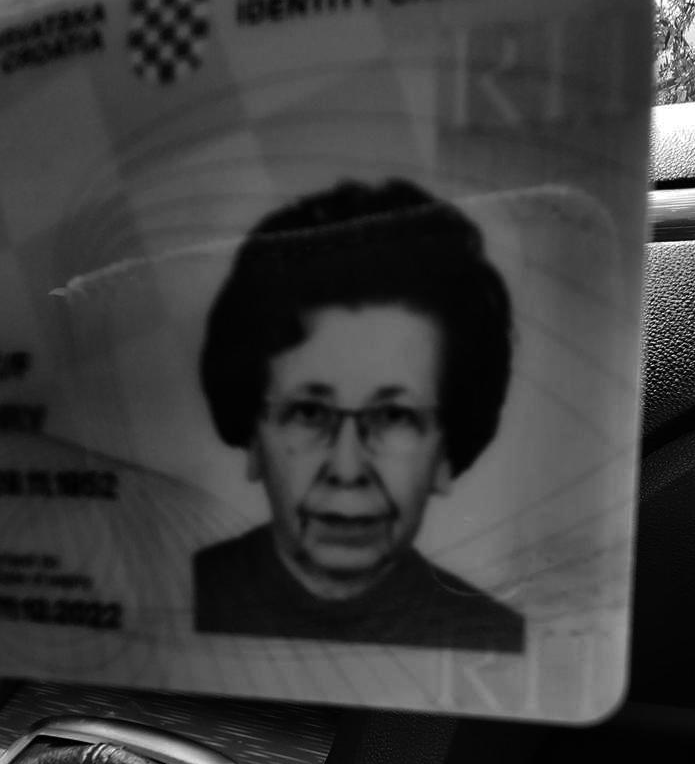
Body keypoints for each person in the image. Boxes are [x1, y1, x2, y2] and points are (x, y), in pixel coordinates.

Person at [194, 179, 524, 650]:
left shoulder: (495, 641)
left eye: (393, 416)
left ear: (446, 454)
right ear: (252, 439)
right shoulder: (170, 598)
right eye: (309, 412)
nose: (347, 470)